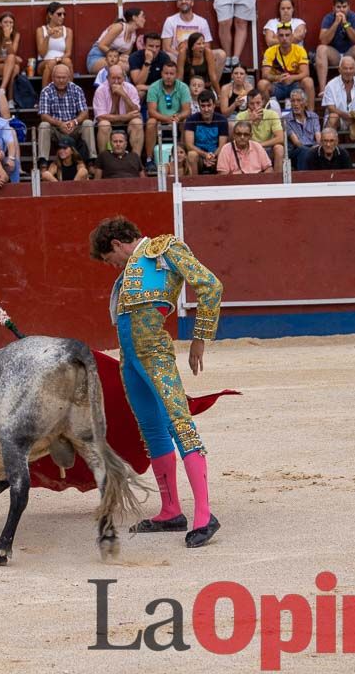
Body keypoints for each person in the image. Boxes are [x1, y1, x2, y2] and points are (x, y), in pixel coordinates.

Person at [89, 215, 223, 547]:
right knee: (151, 430)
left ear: (118, 244)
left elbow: (210, 285)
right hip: (130, 360)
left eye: (110, 259)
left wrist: (200, 338)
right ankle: (171, 511)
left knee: (180, 423)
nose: (113, 267)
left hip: (154, 355)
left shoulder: (164, 250)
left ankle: (205, 515)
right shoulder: (130, 274)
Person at [37, 63, 94, 165]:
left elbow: (84, 112)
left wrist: (74, 122)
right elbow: (44, 115)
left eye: (64, 77)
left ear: (69, 78)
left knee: (88, 123)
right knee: (43, 126)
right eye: (58, 77)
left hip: (73, 127)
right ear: (53, 77)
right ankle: (43, 162)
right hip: (56, 129)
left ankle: (91, 160)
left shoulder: (76, 89)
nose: (61, 80)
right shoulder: (46, 91)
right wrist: (60, 124)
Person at [161, 0, 226, 72]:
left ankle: (210, 83)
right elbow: (166, 48)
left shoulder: (202, 21)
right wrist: (182, 56)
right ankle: (177, 84)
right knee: (167, 55)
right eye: (180, 0)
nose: (183, 1)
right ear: (177, 4)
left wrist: (196, 56)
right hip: (177, 56)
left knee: (221, 54)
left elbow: (207, 47)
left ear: (192, 3)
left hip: (198, 56)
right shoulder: (170, 21)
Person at [314, 0, 355, 91]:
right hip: (335, 55)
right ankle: (323, 91)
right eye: (338, 7)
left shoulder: (354, 17)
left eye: (344, 7)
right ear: (333, 8)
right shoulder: (328, 18)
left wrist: (346, 24)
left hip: (349, 54)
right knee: (321, 49)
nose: (341, 10)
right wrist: (336, 23)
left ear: (349, 7)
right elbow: (323, 40)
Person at [146, 61, 192, 167]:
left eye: (171, 74)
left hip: (177, 119)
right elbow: (151, 111)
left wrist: (178, 117)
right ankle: (149, 159)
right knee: (150, 122)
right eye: (166, 73)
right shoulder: (154, 87)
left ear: (176, 75)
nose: (168, 77)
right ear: (161, 73)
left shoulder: (183, 87)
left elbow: (187, 110)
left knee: (186, 121)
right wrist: (167, 119)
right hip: (159, 119)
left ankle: (184, 157)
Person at [321, 56, 355, 143]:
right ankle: (331, 148)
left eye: (351, 68)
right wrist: (346, 116)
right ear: (339, 69)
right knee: (333, 116)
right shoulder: (331, 85)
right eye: (345, 68)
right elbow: (331, 108)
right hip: (339, 119)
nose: (348, 71)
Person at [93, 64, 144, 156]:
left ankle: (136, 160)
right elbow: (100, 117)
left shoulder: (130, 88)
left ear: (124, 78)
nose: (116, 81)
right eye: (113, 78)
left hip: (126, 123)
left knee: (137, 122)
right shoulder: (100, 90)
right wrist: (124, 117)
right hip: (108, 124)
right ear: (107, 78)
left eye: (119, 78)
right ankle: (104, 160)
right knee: (104, 124)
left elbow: (136, 111)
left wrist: (124, 95)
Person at [261, 23, 314, 105]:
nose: (284, 38)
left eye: (287, 35)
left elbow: (306, 73)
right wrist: (277, 78)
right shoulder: (270, 51)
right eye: (281, 35)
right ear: (277, 37)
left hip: (295, 85)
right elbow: (265, 74)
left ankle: (311, 115)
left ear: (292, 36)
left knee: (308, 81)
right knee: (262, 84)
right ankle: (269, 112)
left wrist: (292, 78)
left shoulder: (300, 50)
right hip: (277, 85)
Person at [234, 90, 285, 168]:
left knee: (279, 148)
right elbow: (237, 138)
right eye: (251, 104)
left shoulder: (272, 114)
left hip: (267, 148)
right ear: (247, 104)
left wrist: (260, 145)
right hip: (248, 148)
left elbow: (280, 138)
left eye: (258, 103)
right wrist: (250, 121)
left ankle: (277, 178)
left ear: (263, 102)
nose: (255, 107)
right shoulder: (240, 116)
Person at [89, 8, 146, 75]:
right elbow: (101, 45)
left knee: (132, 66)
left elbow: (125, 55)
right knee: (124, 67)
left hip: (114, 59)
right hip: (97, 57)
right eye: (143, 16)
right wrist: (118, 57)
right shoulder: (119, 27)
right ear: (134, 18)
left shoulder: (133, 35)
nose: (145, 20)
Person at [184, 90, 229, 176]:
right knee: (191, 154)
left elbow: (222, 145)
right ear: (199, 106)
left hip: (215, 156)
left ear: (214, 105)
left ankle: (221, 184)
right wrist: (205, 155)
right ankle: (194, 184)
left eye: (209, 105)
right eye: (203, 106)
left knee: (224, 154)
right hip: (199, 156)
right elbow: (189, 145)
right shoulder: (191, 119)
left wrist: (212, 156)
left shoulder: (222, 120)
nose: (206, 109)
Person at [281, 87, 321, 170]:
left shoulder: (313, 116)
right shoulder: (285, 119)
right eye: (293, 101)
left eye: (299, 100)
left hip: (313, 148)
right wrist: (311, 151)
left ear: (305, 103)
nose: (295, 104)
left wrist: (318, 146)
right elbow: (297, 143)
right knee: (304, 151)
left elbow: (318, 137)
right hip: (296, 151)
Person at [36, 2, 74, 89]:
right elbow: (42, 53)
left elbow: (68, 52)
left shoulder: (67, 31)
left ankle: (70, 93)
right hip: (43, 62)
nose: (62, 17)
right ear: (50, 15)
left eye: (64, 14)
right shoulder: (41, 30)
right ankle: (44, 96)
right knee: (51, 63)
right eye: (59, 14)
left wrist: (58, 59)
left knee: (68, 61)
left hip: (61, 60)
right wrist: (48, 36)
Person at [0, 11, 21, 98]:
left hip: (10, 65)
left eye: (11, 22)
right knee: (12, 61)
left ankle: (2, 90)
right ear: (0, 24)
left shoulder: (16, 35)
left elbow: (12, 52)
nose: (8, 24)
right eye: (5, 22)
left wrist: (7, 38)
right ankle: (9, 97)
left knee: (15, 67)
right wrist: (6, 59)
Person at [128, 33, 171, 101]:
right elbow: (138, 82)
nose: (154, 50)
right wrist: (147, 61)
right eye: (151, 46)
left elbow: (168, 81)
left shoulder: (165, 58)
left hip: (158, 89)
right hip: (140, 90)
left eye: (157, 46)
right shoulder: (135, 57)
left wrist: (147, 87)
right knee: (140, 94)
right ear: (144, 46)